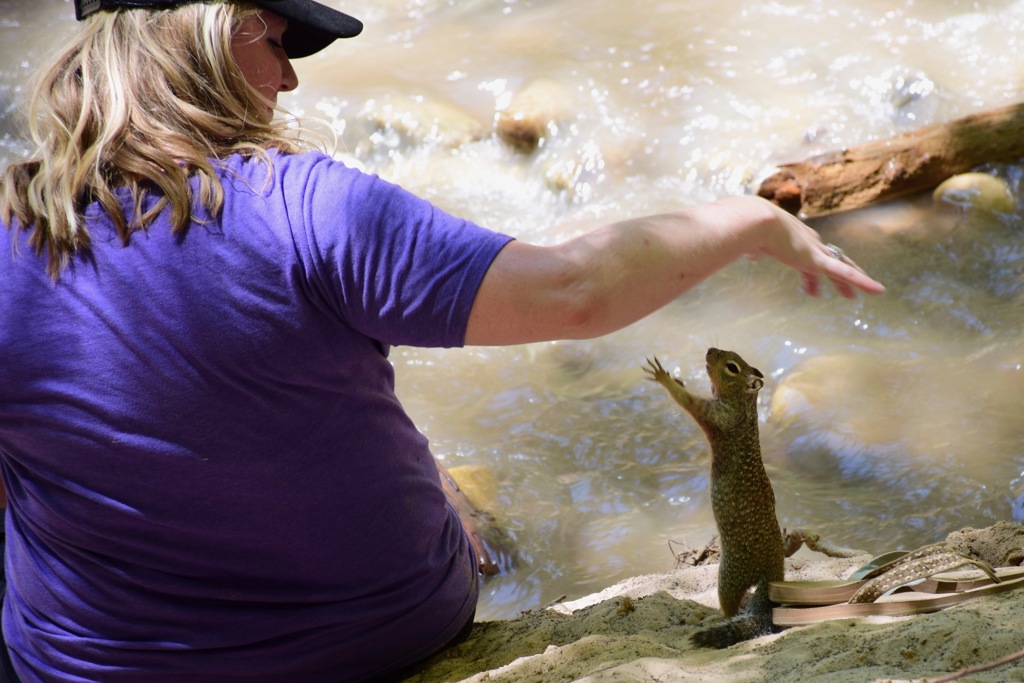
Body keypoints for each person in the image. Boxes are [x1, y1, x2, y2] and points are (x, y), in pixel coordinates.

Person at [0, 1, 885, 681]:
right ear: (220, 34)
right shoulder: (306, 204)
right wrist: (748, 220)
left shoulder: (9, 233)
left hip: (99, 664)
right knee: (449, 490)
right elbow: (574, 290)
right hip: (374, 638)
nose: (291, 81)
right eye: (279, 41)